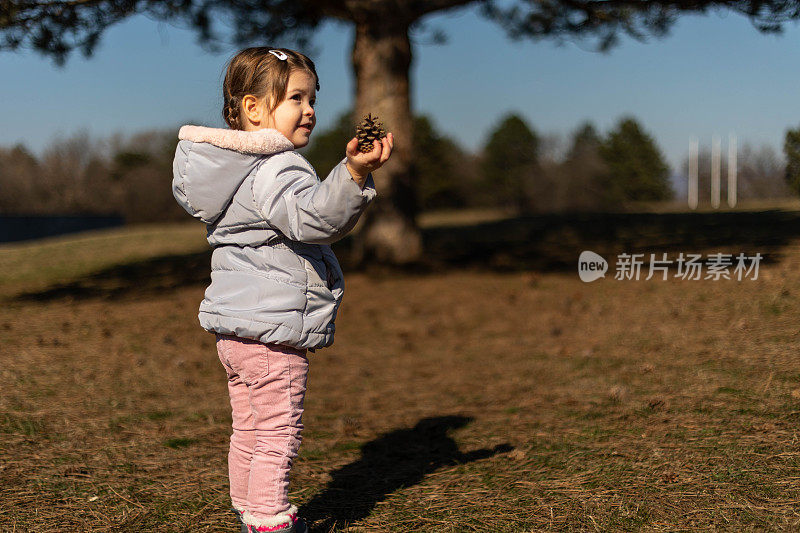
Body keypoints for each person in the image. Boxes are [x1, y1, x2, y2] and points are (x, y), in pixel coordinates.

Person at [171, 46, 393, 533]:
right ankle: (269, 520)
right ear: (253, 109)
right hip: (272, 332)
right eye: (296, 98)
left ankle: (248, 505)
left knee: (249, 425)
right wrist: (354, 174)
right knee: (277, 429)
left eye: (313, 98)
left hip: (235, 332)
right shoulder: (278, 166)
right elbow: (313, 217)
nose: (310, 109)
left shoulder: (232, 172)